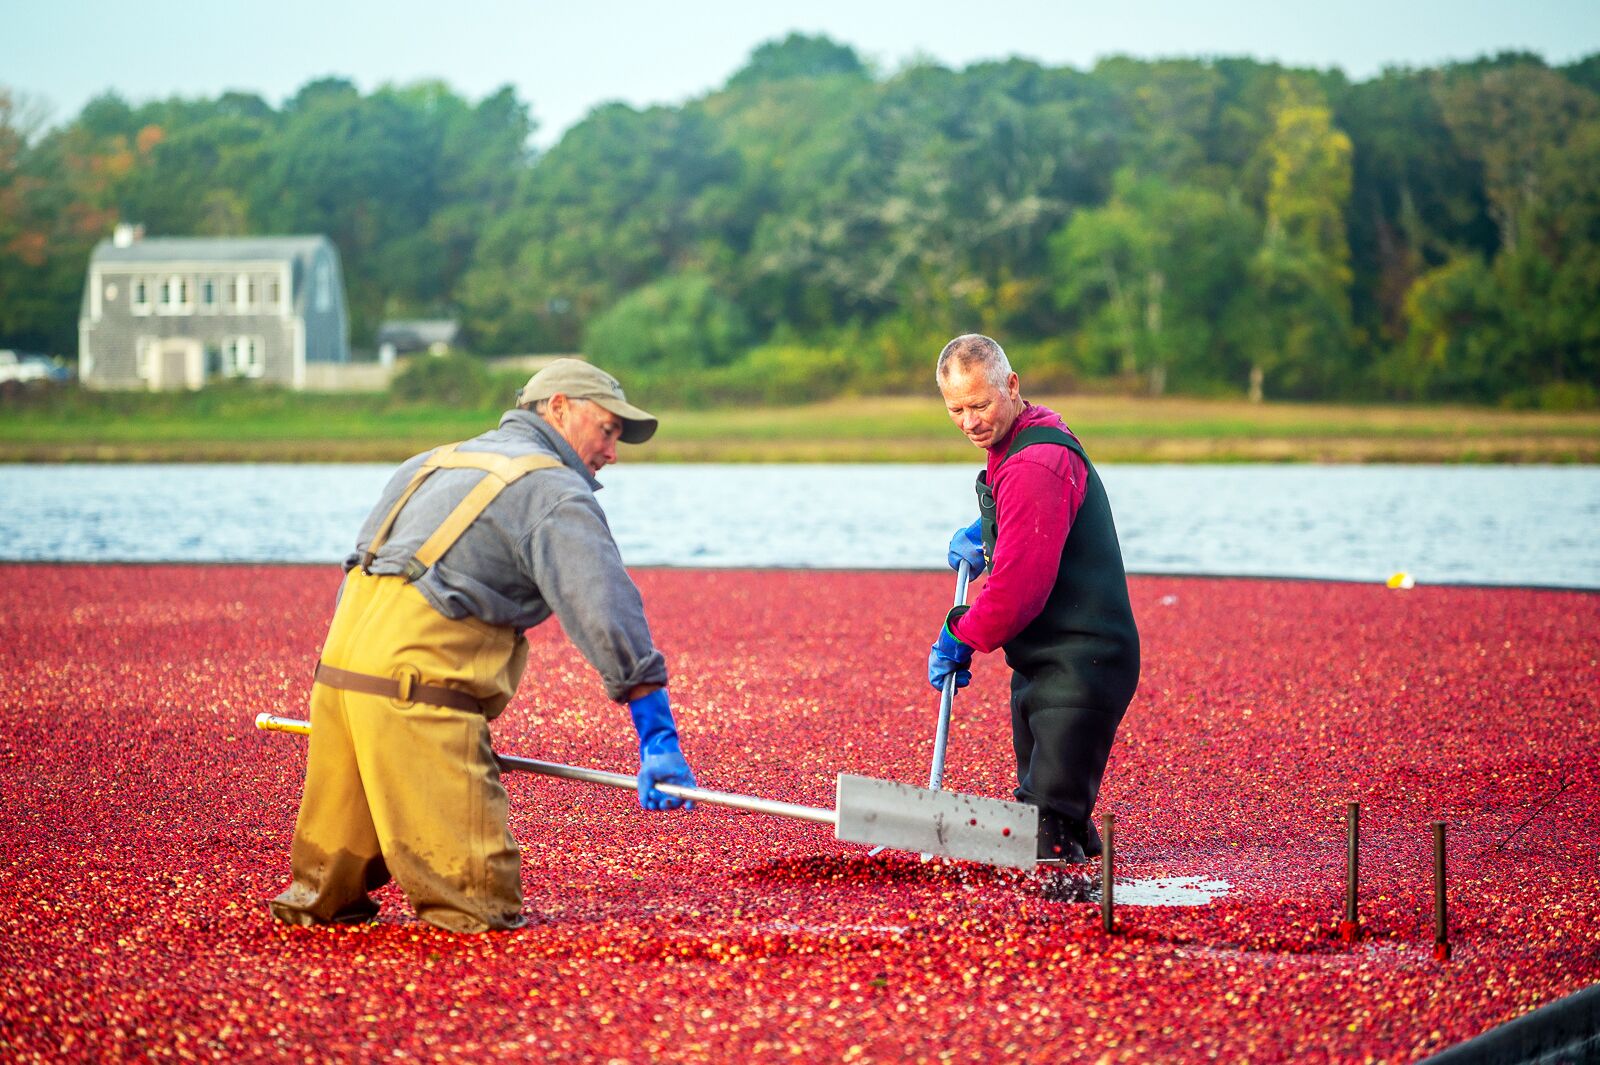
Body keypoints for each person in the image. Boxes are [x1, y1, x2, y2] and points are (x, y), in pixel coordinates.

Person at [269, 358, 697, 932]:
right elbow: (606, 611)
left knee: (322, 903)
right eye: (609, 431)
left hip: (340, 683)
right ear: (560, 407)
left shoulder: (431, 461)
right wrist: (656, 733)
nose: (613, 452)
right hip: (416, 695)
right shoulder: (551, 490)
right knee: (474, 908)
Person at [926, 335, 1140, 864]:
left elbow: (1020, 589)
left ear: (1012, 386)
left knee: (1045, 828)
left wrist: (961, 633)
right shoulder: (1021, 443)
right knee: (1052, 819)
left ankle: (1071, 929)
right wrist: (988, 530)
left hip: (1082, 662)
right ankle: (1087, 898)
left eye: (981, 405)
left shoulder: (1036, 459)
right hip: (1045, 665)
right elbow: (1032, 519)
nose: (970, 421)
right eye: (956, 409)